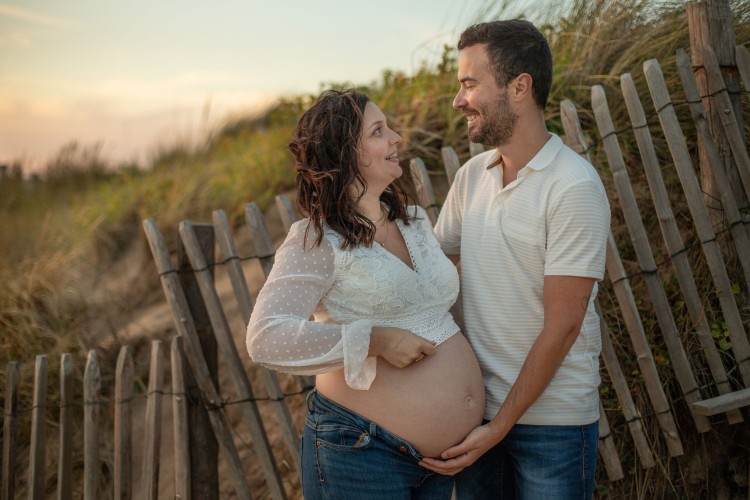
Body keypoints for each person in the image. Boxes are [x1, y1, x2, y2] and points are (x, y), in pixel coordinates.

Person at [245, 88, 485, 499]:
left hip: (450, 464)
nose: (396, 138)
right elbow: (266, 336)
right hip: (365, 456)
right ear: (345, 154)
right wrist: (374, 341)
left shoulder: (413, 222)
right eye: (379, 131)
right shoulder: (316, 240)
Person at [419, 20, 611, 499]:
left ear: (519, 87)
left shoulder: (574, 187)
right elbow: (433, 275)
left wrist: (501, 426)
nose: (459, 100)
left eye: (470, 84)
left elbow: (562, 326)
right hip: (477, 414)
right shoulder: (471, 177)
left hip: (553, 424)